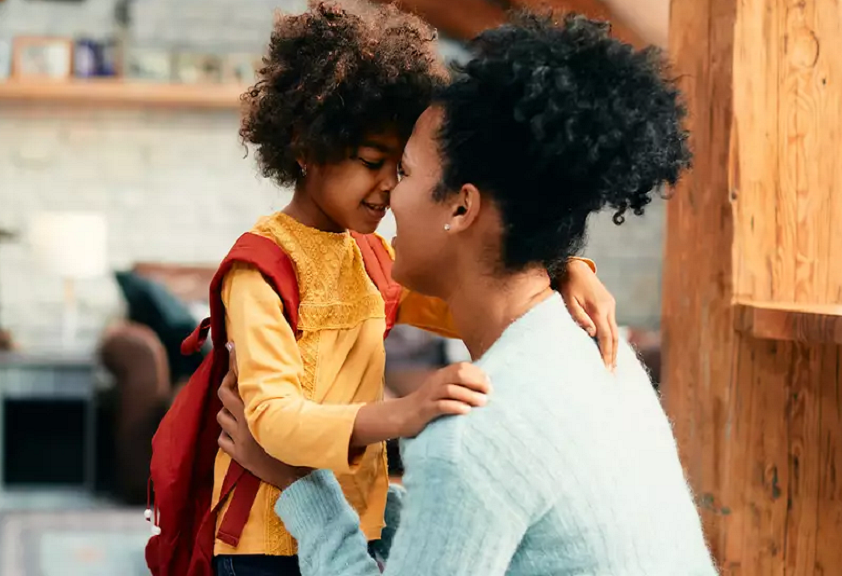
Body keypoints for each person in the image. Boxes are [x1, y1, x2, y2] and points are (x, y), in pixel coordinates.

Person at [216, 12, 718, 576]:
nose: (388, 198)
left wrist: (304, 487)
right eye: (378, 165)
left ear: (462, 207)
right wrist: (559, 269)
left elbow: (475, 473)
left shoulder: (468, 437)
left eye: (401, 171)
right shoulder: (601, 351)